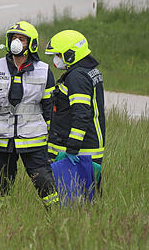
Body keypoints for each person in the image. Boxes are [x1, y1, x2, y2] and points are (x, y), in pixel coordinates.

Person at [0, 21, 59, 208]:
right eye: (14, 38)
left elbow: (50, 109)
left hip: (33, 139)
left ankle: (56, 214)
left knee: (43, 180)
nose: (16, 42)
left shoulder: (44, 71)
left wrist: (54, 141)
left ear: (31, 44)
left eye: (22, 39)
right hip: (1, 139)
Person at [44, 30, 105, 174]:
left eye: (59, 55)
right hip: (87, 146)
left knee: (76, 194)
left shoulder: (77, 77)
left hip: (81, 151)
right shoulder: (88, 71)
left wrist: (72, 148)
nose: (56, 59)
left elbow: (81, 114)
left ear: (71, 54)